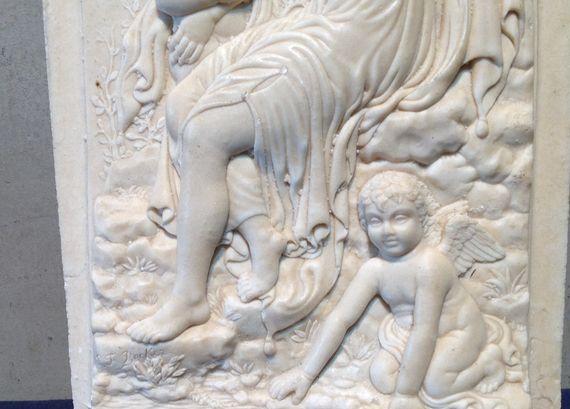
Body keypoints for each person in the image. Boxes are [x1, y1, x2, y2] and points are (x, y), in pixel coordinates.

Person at [124, 0, 525, 345]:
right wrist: (211, 13)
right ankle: (260, 233)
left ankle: (189, 297)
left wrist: (209, 10)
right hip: (317, 21)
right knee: (181, 105)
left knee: (205, 132)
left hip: (354, 36)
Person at [269, 172, 506, 409]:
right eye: (375, 220)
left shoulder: (430, 265)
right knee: (382, 377)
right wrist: (305, 373)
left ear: (422, 219)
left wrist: (406, 394)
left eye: (400, 217)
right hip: (408, 333)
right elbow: (341, 319)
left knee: (437, 385)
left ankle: (488, 363)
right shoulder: (375, 269)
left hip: (458, 333)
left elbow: (425, 331)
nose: (387, 230)